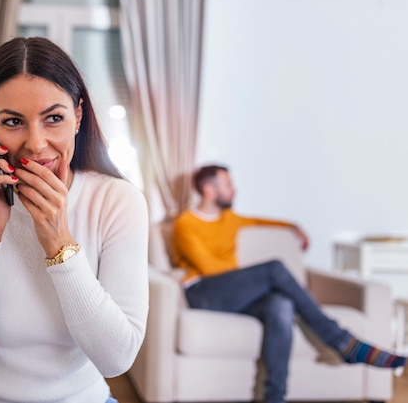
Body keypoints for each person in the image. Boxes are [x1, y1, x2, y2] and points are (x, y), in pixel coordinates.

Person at [0, 37, 149, 403]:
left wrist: (58, 241)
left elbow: (116, 359)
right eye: (13, 121)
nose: (36, 143)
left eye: (54, 118)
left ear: (78, 116)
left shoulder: (117, 202)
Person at [171, 164, 405, 403]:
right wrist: (258, 280)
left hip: (235, 294)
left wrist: (294, 227)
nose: (235, 189)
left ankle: (275, 397)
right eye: (228, 184)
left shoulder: (230, 219)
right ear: (209, 190)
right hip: (203, 293)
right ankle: (343, 342)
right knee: (274, 270)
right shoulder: (185, 224)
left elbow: (260, 221)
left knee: (280, 303)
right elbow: (210, 269)